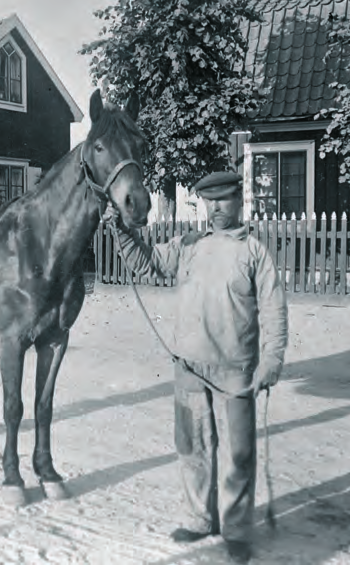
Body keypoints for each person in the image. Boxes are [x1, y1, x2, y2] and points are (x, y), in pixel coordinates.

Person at [104, 170, 288, 563]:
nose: (217, 208)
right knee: (192, 447)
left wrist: (271, 359)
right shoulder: (187, 244)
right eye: (209, 200)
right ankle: (199, 519)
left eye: (224, 199)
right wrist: (122, 231)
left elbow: (274, 311)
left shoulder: (254, 252)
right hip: (189, 366)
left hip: (235, 371)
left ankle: (237, 530)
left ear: (239, 200)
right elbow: (148, 264)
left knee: (239, 454)